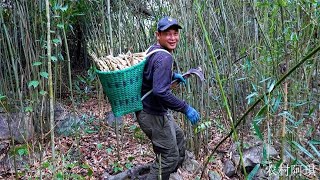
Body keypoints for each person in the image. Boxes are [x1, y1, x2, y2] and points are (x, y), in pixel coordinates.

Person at [136, 16, 200, 180]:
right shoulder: (165, 57)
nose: (173, 38)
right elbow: (160, 92)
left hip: (149, 110)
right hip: (152, 114)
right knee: (169, 157)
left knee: (178, 139)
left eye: (175, 33)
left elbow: (150, 73)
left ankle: (169, 176)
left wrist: (171, 75)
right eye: (167, 34)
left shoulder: (153, 50)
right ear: (158, 35)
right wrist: (185, 108)